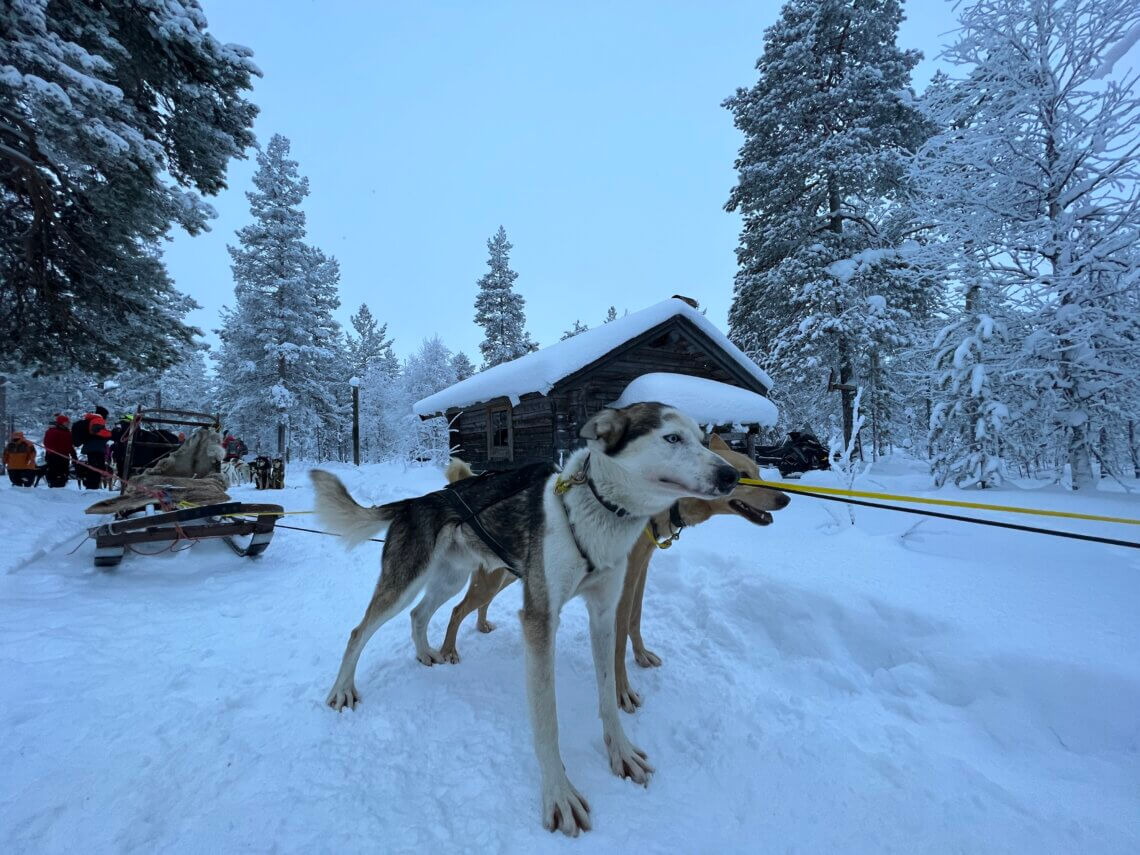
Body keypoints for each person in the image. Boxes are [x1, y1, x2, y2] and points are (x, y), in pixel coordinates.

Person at [42, 414, 77, 488]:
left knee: (63, 475)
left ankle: (61, 489)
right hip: (54, 457)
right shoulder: (52, 431)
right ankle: (53, 488)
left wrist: (74, 456)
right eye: (66, 422)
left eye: (68, 422)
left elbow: (70, 446)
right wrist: (54, 453)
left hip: (65, 458)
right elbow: (47, 443)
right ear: (61, 423)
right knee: (55, 475)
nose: (68, 424)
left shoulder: (68, 433)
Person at [79, 415, 112, 490]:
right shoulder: (100, 425)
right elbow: (107, 435)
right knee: (99, 467)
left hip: (89, 450)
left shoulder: (88, 427)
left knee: (92, 466)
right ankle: (94, 485)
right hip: (99, 450)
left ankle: (90, 484)